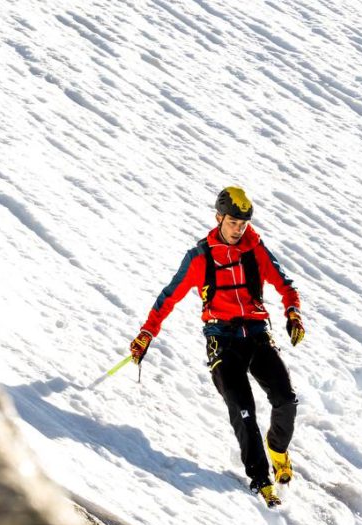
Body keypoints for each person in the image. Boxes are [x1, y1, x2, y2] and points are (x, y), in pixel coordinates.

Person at [129, 187, 305, 508]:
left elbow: (285, 284)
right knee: (243, 411)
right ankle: (260, 479)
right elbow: (168, 297)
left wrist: (292, 311)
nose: (240, 228)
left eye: (244, 223)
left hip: (256, 334)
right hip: (221, 340)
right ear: (219, 218)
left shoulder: (256, 250)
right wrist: (147, 333)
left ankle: (277, 449)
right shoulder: (200, 257)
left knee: (286, 401)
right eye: (235, 222)